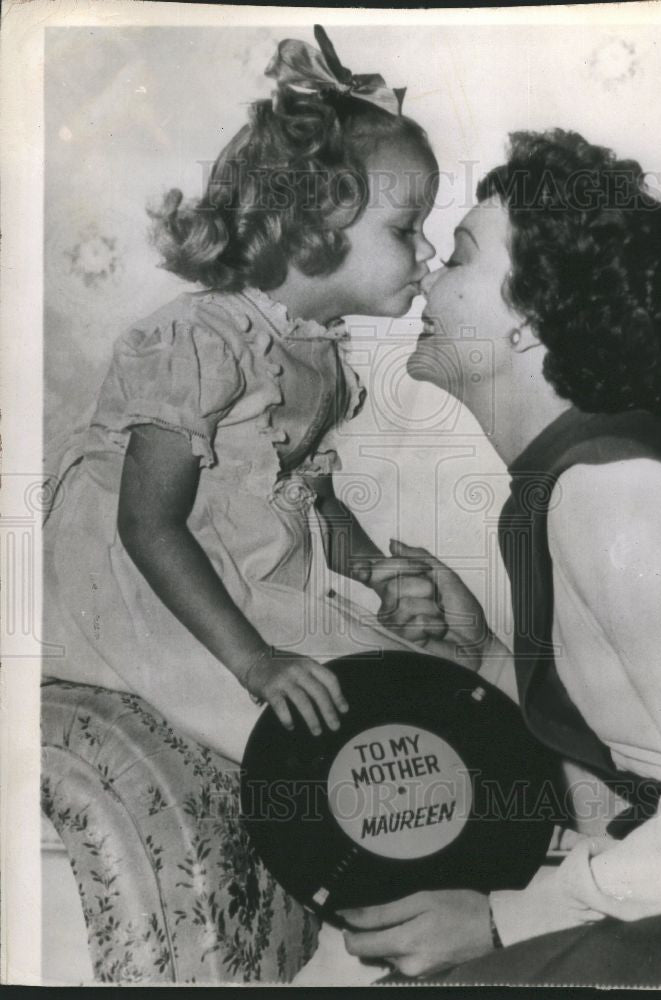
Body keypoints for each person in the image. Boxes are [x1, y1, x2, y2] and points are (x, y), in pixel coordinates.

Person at [336, 129, 661, 991]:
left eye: (462, 258)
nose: (429, 273)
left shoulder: (615, 494)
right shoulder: (585, 475)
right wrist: (486, 656)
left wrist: (503, 918)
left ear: (526, 315)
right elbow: (653, 733)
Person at [42, 27, 448, 763]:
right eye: (406, 228)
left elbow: (312, 499)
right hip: (143, 576)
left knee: (418, 680)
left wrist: (369, 573)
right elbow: (147, 524)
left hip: (239, 564)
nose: (427, 254)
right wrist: (255, 661)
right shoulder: (198, 339)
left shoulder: (318, 349)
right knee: (320, 729)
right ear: (312, 230)